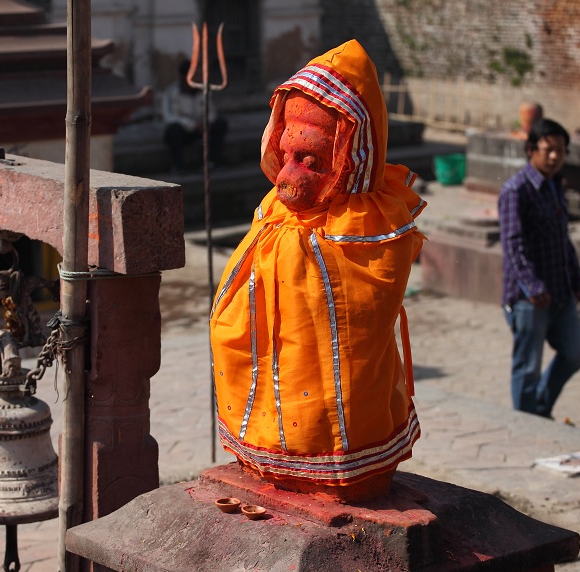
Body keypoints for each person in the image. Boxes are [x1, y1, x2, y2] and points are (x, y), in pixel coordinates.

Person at [209, 40, 426, 502]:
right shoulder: (275, 208)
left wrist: (306, 258)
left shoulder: (373, 220)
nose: (290, 175)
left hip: (344, 449)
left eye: (311, 162)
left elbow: (363, 315)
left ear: (350, 163)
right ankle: (268, 455)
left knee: (333, 381)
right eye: (287, 156)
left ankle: (330, 469)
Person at [499, 118, 580, 418]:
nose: (554, 157)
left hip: (560, 290)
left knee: (575, 352)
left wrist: (575, 276)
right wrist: (532, 286)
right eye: (548, 150)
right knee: (527, 367)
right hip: (529, 298)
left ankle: (539, 409)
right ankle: (527, 424)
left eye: (560, 151)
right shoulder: (516, 190)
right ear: (531, 150)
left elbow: (563, 238)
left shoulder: (554, 186)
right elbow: (513, 245)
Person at [161, 59, 227, 174]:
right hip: (184, 131)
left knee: (220, 124)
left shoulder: (203, 90)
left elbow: (212, 112)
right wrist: (191, 125)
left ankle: (213, 162)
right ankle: (178, 166)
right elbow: (168, 117)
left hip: (202, 129)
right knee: (173, 130)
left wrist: (205, 124)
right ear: (183, 76)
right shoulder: (172, 92)